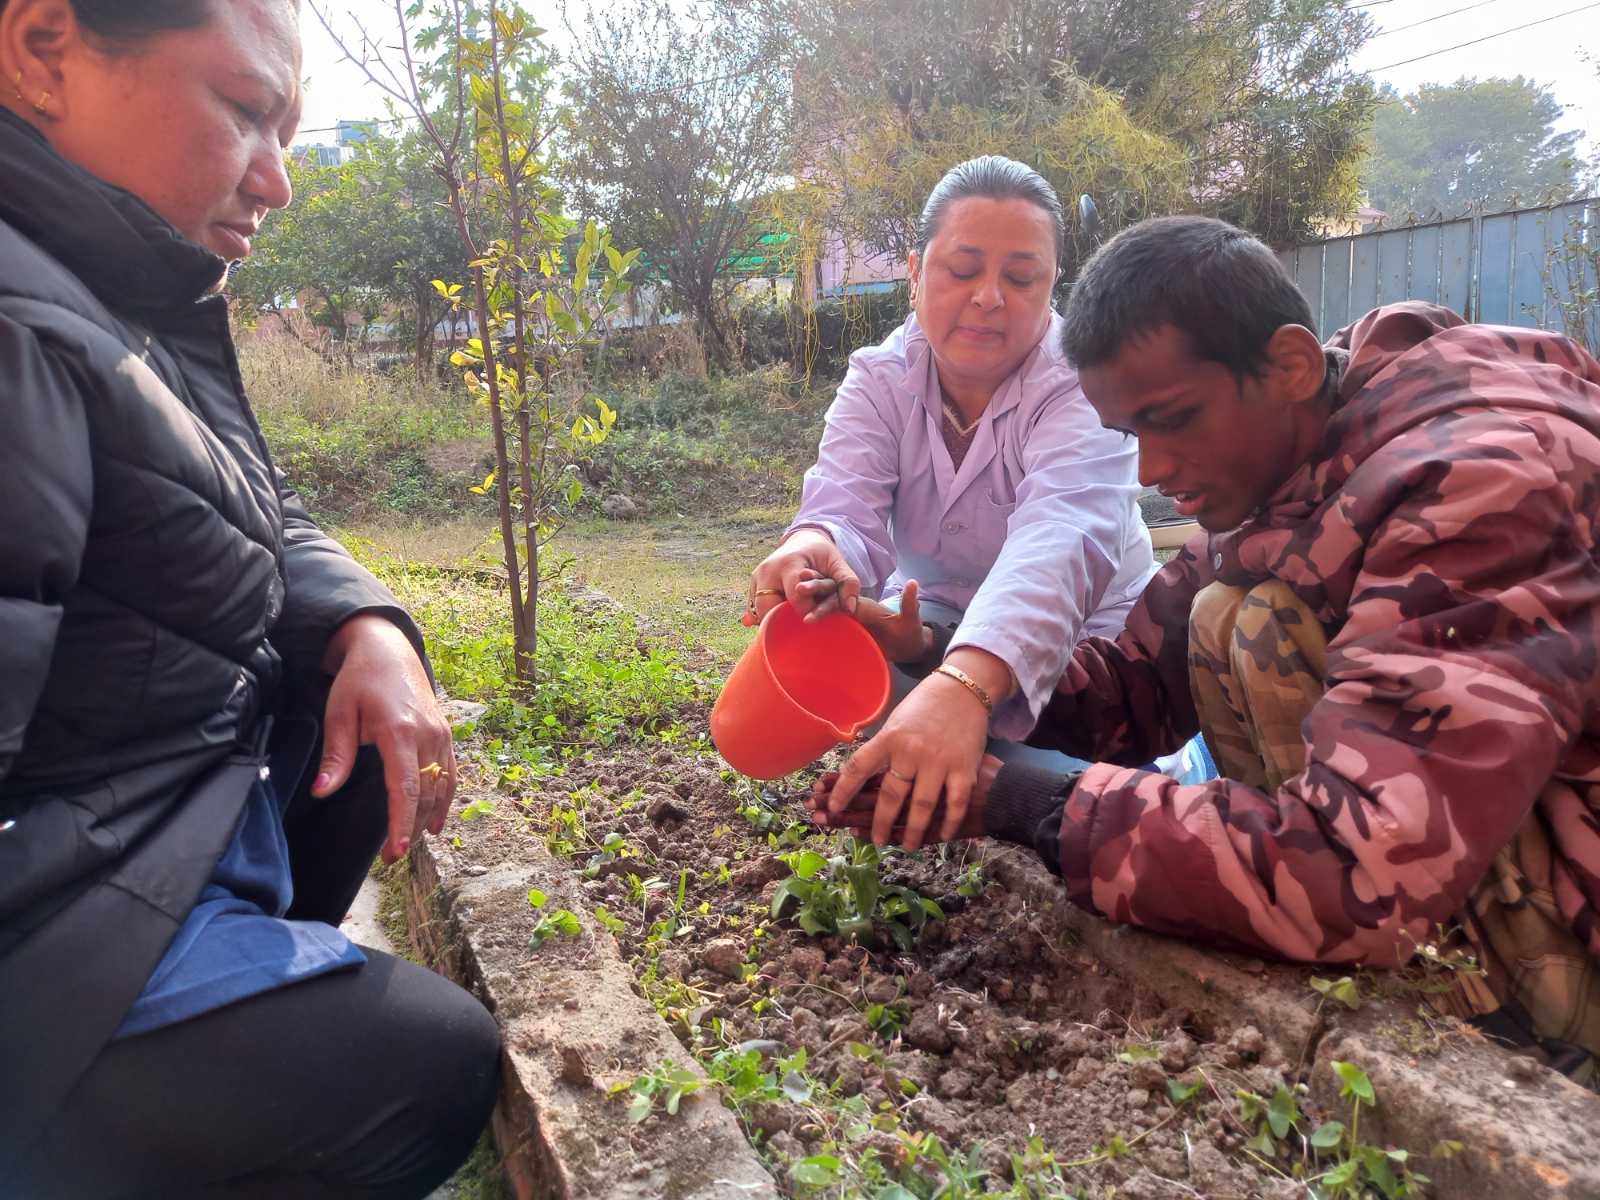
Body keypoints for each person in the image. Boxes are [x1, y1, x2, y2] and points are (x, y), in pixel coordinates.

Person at [813, 214, 1600, 1074]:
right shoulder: (1297, 457)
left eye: (1173, 420)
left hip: (1566, 896)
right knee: (1224, 614)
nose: (1150, 471)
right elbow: (1135, 686)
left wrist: (1024, 802)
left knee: (1253, 625)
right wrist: (936, 660)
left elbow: (1359, 868)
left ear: (1289, 366)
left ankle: (1517, 1036)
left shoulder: (1477, 489)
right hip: (1437, 853)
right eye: (1132, 435)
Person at [0, 1, 501, 1193]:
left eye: (288, 131)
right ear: (43, 52)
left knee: (355, 726)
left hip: (142, 817)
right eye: (243, 110)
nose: (276, 180)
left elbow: (238, 504)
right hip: (60, 906)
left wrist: (368, 625)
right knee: (430, 1065)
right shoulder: (24, 326)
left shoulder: (113, 293)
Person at [748, 156, 1206, 853]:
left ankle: (1153, 775)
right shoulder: (878, 380)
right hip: (928, 627)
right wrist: (814, 546)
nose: (989, 297)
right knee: (873, 697)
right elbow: (844, 503)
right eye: (963, 270)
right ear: (914, 273)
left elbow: (1061, 539)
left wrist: (963, 685)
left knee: (1065, 793)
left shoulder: (1084, 385)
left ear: (1053, 286)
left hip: (1090, 643)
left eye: (1021, 279)